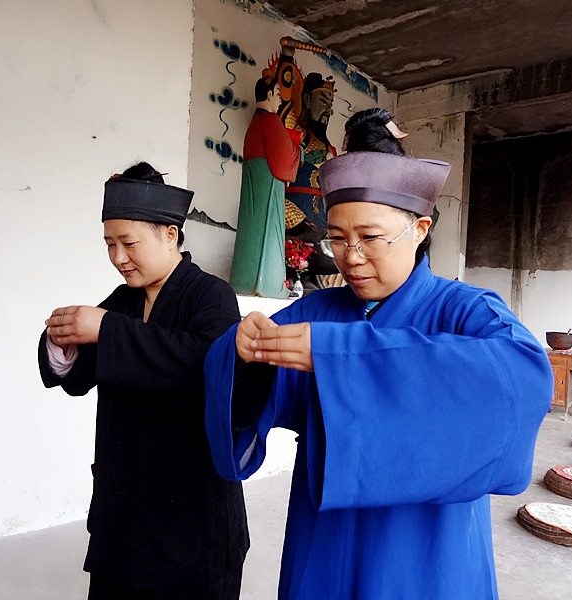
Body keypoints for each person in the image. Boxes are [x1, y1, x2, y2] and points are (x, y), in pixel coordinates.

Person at [204, 112, 554, 599]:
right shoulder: (317, 312)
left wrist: (343, 357)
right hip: (324, 542)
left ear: (419, 228)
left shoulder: (465, 310)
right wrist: (243, 354)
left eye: (370, 237)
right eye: (337, 238)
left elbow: (523, 378)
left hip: (425, 553)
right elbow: (242, 387)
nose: (351, 256)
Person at [38, 162, 249, 599]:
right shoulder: (123, 300)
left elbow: (204, 367)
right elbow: (80, 376)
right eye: (109, 244)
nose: (118, 257)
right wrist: (62, 343)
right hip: (122, 510)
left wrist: (106, 329)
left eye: (129, 243)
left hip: (191, 515)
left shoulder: (211, 295)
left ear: (170, 234)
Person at [230, 75, 302, 298]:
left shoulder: (255, 123)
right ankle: (267, 283)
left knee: (251, 230)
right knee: (269, 230)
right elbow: (285, 156)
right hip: (268, 182)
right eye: (278, 94)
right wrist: (298, 149)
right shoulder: (270, 121)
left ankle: (244, 280)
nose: (280, 100)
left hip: (254, 181)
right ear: (269, 94)